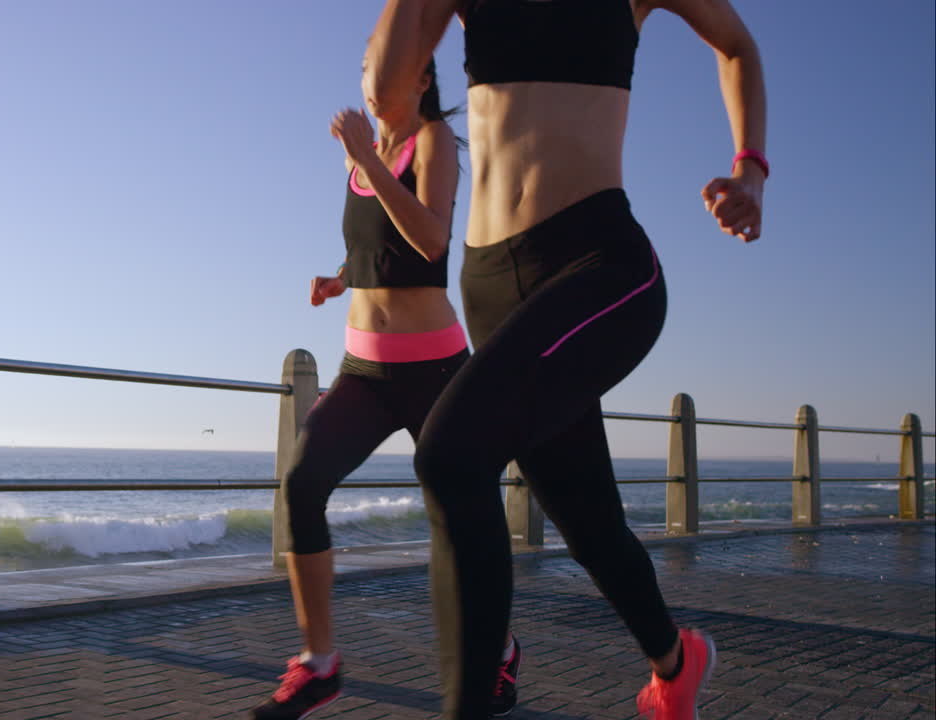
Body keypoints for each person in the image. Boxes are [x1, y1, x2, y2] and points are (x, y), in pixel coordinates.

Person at [362, 1, 767, 718]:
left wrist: (751, 168)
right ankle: (675, 665)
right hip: (490, 284)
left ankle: (477, 692)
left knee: (450, 456)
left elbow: (734, 43)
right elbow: (391, 97)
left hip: (598, 263)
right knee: (587, 520)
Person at [252, 57, 522, 720]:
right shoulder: (364, 160)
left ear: (421, 80)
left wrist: (366, 158)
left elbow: (429, 240)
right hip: (363, 371)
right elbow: (379, 243)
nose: (371, 77)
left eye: (386, 65)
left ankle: (499, 650)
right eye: (368, 64)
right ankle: (319, 664)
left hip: (432, 370)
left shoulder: (431, 145)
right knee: (302, 481)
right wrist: (341, 278)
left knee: (465, 516)